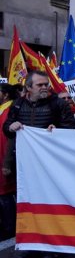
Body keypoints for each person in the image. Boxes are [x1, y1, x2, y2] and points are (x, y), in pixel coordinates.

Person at [3, 71, 75, 258]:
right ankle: (30, 245)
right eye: (40, 85)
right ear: (28, 88)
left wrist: (57, 131)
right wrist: (11, 127)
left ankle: (53, 247)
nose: (45, 87)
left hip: (50, 166)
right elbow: (7, 128)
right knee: (27, 204)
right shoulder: (18, 105)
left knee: (50, 204)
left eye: (46, 84)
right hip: (25, 165)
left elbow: (71, 130)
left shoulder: (58, 104)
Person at [0, 84, 18, 241]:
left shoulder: (8, 111)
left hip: (5, 159)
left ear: (5, 95)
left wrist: (6, 162)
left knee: (5, 194)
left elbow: (8, 139)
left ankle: (9, 227)